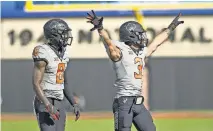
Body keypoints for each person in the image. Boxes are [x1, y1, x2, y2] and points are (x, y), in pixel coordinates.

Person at [86, 10, 184, 131]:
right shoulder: (119, 51)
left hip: (137, 102)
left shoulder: (141, 52)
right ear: (131, 35)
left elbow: (156, 43)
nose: (143, 37)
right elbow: (108, 43)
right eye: (139, 34)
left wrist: (171, 27)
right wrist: (100, 28)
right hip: (124, 102)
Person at [32, 19, 81, 131]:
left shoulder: (64, 53)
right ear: (53, 35)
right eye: (63, 34)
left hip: (59, 100)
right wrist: (48, 105)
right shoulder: (43, 51)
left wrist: (74, 103)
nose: (66, 37)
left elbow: (64, 81)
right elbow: (36, 84)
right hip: (45, 100)